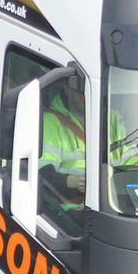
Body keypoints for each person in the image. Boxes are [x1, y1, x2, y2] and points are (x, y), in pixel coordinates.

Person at [40, 77, 88, 226]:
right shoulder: (50, 122)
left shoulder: (112, 120)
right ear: (67, 90)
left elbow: (137, 166)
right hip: (65, 211)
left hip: (113, 205)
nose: (86, 97)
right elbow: (40, 175)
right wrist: (73, 181)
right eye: (83, 91)